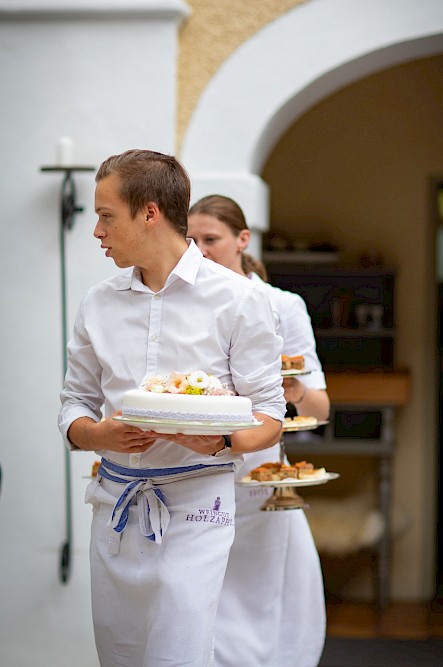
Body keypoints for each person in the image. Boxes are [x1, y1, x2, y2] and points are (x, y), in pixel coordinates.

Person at [58, 150, 286, 666]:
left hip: (196, 505)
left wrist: (222, 441)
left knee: (178, 655)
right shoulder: (98, 302)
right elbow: (74, 404)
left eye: (106, 214)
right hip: (114, 504)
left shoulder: (240, 299)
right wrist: (99, 435)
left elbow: (271, 417)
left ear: (150, 212)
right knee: (121, 655)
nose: (97, 230)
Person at [187, 194, 329, 667]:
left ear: (243, 240)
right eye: (191, 240)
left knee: (264, 605)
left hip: (261, 474)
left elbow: (320, 406)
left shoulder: (281, 306)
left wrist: (286, 383)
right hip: (193, 472)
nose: (200, 250)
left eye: (211, 239)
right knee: (200, 607)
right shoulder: (184, 304)